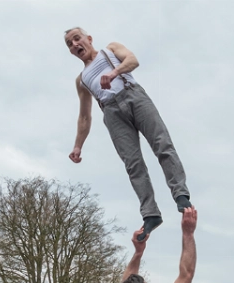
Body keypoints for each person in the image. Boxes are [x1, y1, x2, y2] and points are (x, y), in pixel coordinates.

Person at [65, 27, 192, 240]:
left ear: (89, 39)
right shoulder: (82, 80)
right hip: (112, 112)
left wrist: (113, 73)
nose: (74, 44)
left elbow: (133, 60)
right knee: (133, 164)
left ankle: (180, 194)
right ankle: (151, 214)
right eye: (69, 44)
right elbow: (84, 116)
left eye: (77, 39)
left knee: (161, 143)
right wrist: (78, 145)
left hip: (133, 96)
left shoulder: (110, 49)